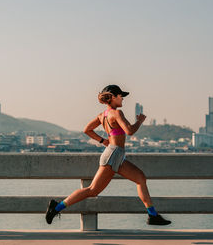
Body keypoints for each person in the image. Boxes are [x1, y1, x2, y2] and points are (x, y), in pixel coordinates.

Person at [45, 85, 171, 226]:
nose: (122, 98)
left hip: (115, 154)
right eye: (120, 95)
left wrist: (103, 141)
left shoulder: (102, 115)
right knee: (92, 190)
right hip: (113, 155)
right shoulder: (117, 113)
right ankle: (56, 207)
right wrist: (139, 122)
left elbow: (87, 130)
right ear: (112, 97)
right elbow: (129, 131)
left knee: (140, 178)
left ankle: (153, 215)